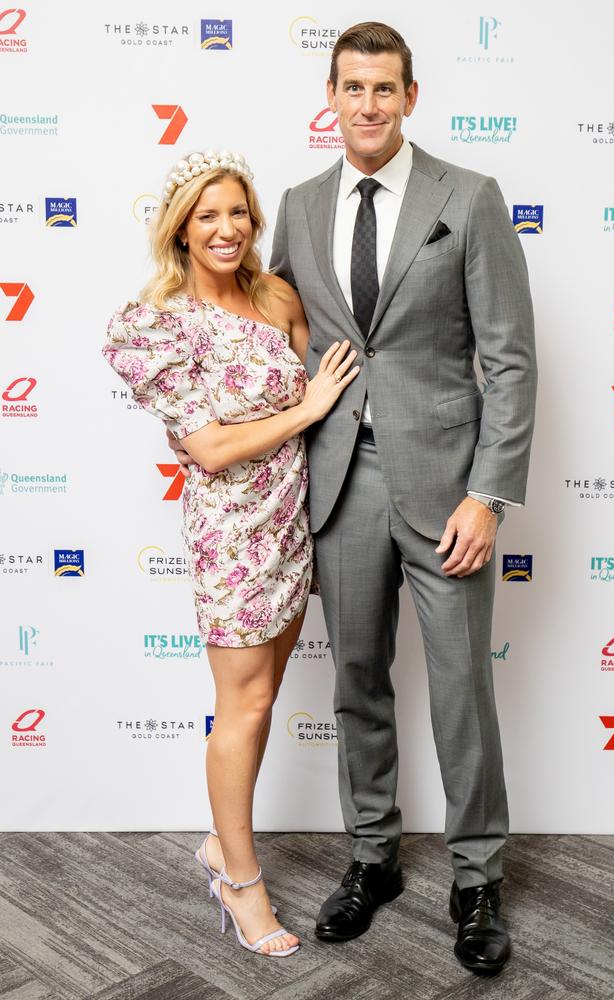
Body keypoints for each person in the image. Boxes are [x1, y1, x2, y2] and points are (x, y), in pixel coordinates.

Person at [172, 21, 537, 974]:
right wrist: (191, 402)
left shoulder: (472, 197)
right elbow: (255, 327)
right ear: (329, 97)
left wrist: (489, 496)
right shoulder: (292, 206)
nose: (367, 105)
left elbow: (508, 359)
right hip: (333, 485)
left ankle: (476, 878)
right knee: (357, 686)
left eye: (385, 89)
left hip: (448, 489)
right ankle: (372, 858)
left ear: (410, 97)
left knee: (461, 689)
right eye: (352, 88)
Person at [102, 149, 359, 958]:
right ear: (180, 226)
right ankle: (241, 883)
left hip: (294, 521)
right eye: (207, 214)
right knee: (241, 708)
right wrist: (308, 408)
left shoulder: (275, 295)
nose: (226, 228)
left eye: (238, 213)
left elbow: (329, 377)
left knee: (265, 698)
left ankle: (222, 843)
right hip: (233, 534)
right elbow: (210, 448)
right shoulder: (160, 322)